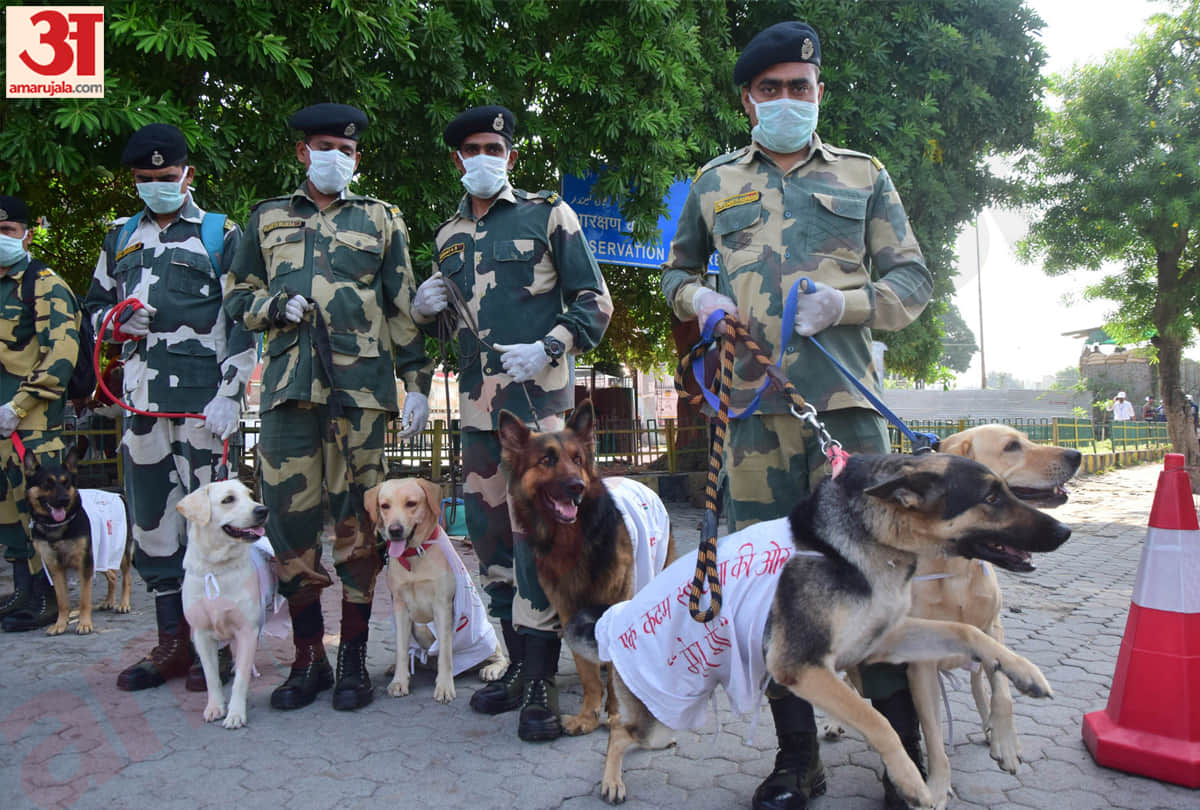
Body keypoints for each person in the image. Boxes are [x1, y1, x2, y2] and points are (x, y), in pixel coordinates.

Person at [660, 22, 933, 810]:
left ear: (820, 93)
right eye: (770, 89)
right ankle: (796, 760)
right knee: (774, 589)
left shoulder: (864, 174)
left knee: (878, 574)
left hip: (846, 416)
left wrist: (846, 303)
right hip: (751, 412)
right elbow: (676, 270)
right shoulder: (713, 182)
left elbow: (913, 282)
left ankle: (901, 756)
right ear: (748, 99)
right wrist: (698, 297)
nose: (786, 100)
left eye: (800, 88)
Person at [410, 105, 613, 741]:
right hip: (480, 417)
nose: (483, 157)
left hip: (543, 421)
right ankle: (515, 665)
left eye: (494, 147)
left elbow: (595, 301)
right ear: (456, 159)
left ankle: (543, 685)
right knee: (494, 541)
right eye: (472, 148)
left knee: (544, 548)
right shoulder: (447, 236)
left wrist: (552, 345)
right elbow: (451, 328)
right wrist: (425, 308)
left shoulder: (549, 213)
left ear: (511, 156)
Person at [224, 103, 432, 712]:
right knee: (289, 531)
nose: (332, 156)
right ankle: (308, 659)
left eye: (344, 147)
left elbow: (401, 305)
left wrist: (416, 381)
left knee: (362, 527)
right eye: (321, 145)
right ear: (301, 152)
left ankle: (353, 662)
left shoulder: (381, 218)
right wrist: (270, 308)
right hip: (289, 395)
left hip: (361, 397)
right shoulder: (265, 217)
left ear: (356, 157)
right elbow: (237, 294)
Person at [83, 124, 256, 689]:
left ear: (188, 175)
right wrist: (114, 322)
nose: (156, 185)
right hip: (143, 405)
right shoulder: (120, 238)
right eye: (145, 179)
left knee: (219, 527)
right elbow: (94, 310)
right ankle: (173, 644)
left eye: (166, 176)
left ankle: (225, 646)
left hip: (205, 408)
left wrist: (232, 394)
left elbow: (242, 320)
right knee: (154, 524)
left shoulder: (218, 234)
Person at [0, 196, 82, 631]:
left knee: (42, 511)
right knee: (7, 512)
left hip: (31, 422)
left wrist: (19, 405)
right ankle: (23, 590)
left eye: (7, 231)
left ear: (27, 235)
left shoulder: (43, 283)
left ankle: (52, 598)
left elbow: (62, 353)